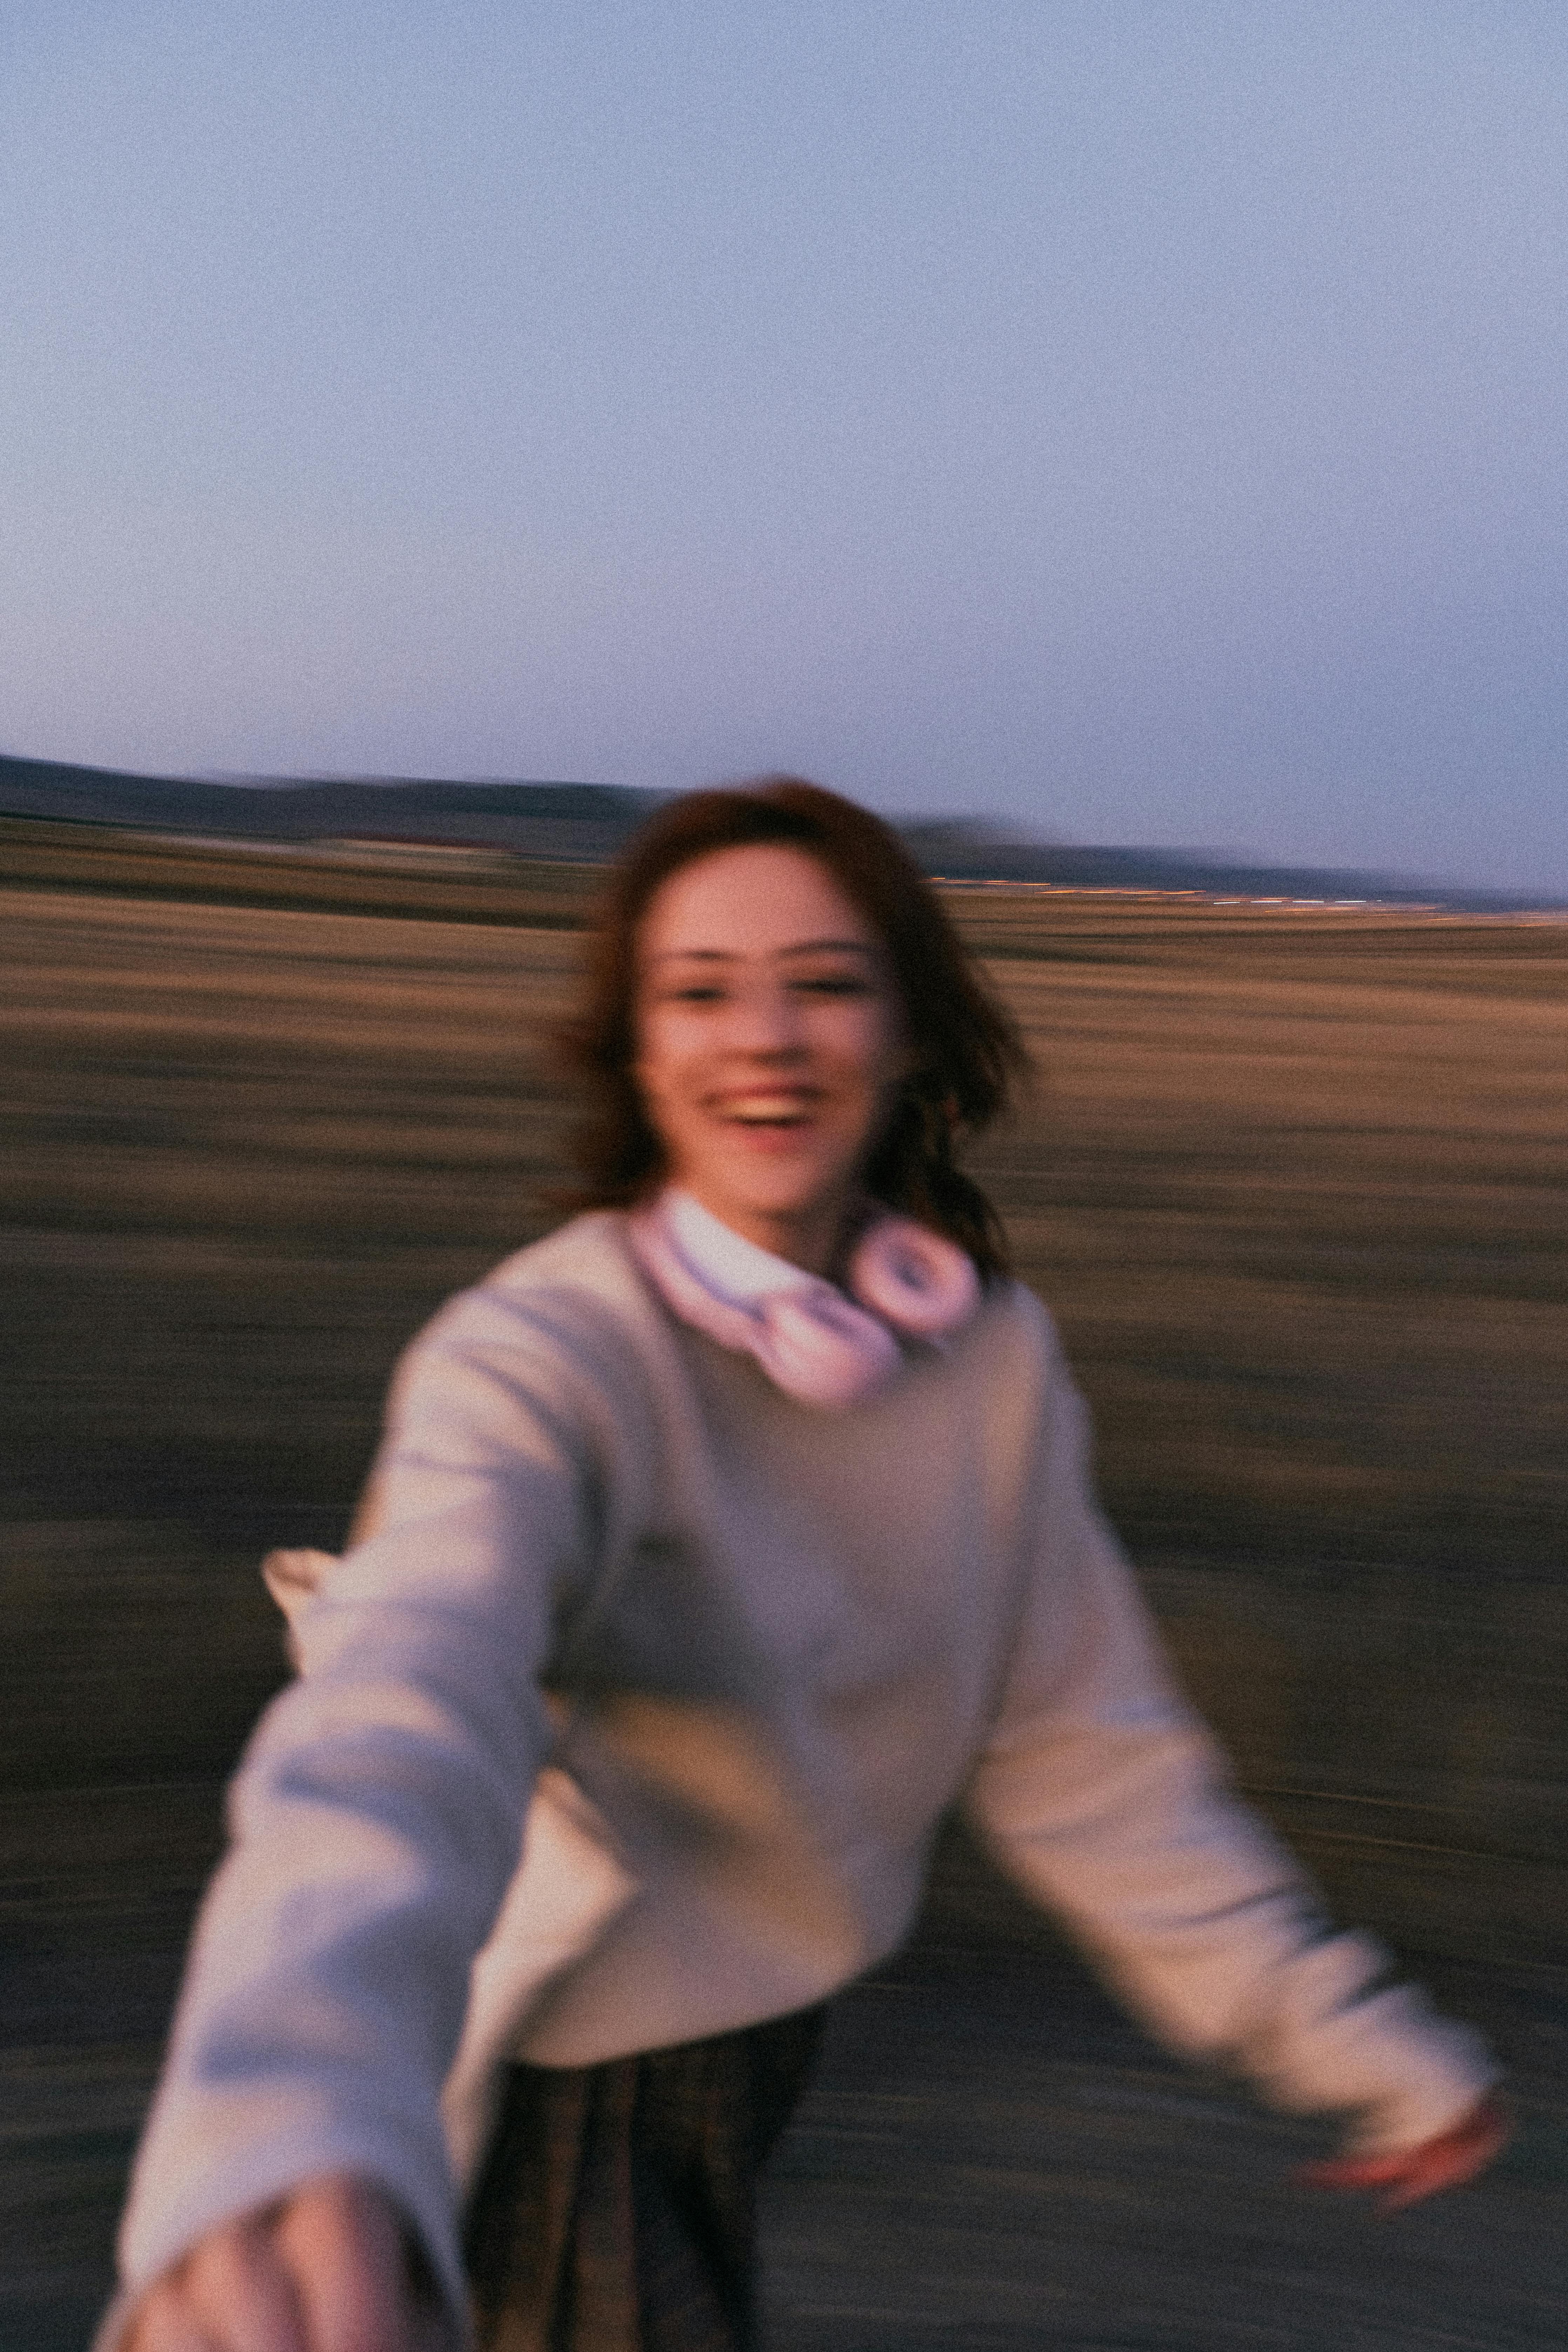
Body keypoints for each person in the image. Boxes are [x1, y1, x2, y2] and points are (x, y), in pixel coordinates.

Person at [104, 780, 1506, 2352]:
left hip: (755, 2043)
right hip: (564, 2075)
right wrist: (286, 2111)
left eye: (823, 983)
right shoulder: (549, 1354)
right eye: (698, 992)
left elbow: (1085, 1757)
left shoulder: (984, 1360)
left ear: (906, 1032)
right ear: (637, 1056)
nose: (762, 1035)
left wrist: (1335, 2032)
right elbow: (406, 1698)